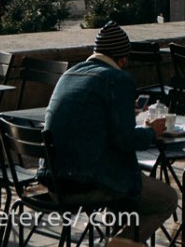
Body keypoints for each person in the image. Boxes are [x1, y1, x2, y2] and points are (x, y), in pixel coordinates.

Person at [41, 21, 177, 243]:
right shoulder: (117, 78)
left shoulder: (70, 74)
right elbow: (125, 140)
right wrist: (152, 132)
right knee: (166, 199)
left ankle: (119, 237)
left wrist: (123, 114)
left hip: (54, 182)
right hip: (86, 183)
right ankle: (117, 244)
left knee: (126, 191)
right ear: (123, 59)